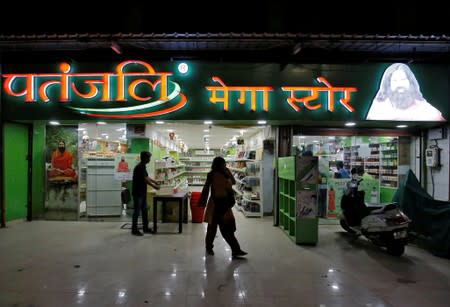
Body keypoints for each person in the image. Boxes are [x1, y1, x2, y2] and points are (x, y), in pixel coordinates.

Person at [199, 156, 247, 258]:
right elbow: (206, 187)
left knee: (227, 229)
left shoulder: (225, 173)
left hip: (225, 204)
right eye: (223, 164)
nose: (224, 165)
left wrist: (228, 171)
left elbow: (233, 182)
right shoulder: (211, 174)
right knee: (212, 229)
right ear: (218, 164)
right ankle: (209, 248)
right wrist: (202, 201)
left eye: (224, 164)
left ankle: (236, 250)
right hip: (215, 204)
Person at [366, 63, 445, 121]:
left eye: (403, 80)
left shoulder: (426, 110)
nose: (400, 84)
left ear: (410, 83)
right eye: (395, 81)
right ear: (389, 85)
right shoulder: (379, 108)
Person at [131, 151, 160, 236]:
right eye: (149, 158)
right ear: (145, 158)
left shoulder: (143, 166)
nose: (149, 159)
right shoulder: (139, 167)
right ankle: (134, 229)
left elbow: (147, 177)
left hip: (142, 193)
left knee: (144, 210)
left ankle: (145, 228)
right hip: (138, 193)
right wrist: (155, 187)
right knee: (136, 212)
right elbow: (145, 180)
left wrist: (155, 182)